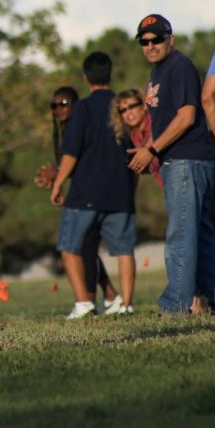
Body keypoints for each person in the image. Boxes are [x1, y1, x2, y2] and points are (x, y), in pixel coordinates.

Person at [128, 14, 215, 314]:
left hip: (188, 162)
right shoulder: (158, 73)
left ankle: (174, 304)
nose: (150, 46)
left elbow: (187, 116)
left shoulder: (179, 67)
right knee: (201, 236)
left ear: (170, 39)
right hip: (183, 162)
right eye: (144, 41)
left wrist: (151, 148)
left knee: (181, 235)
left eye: (156, 39)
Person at [50, 52, 136, 318]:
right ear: (110, 75)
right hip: (120, 192)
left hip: (86, 193)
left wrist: (57, 183)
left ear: (85, 78)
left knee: (69, 247)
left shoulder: (84, 109)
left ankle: (83, 304)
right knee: (123, 250)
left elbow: (71, 153)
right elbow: (132, 151)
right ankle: (125, 304)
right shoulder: (122, 108)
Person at [36, 87, 120, 313]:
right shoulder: (69, 127)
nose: (58, 109)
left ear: (75, 104)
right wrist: (59, 175)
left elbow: (87, 159)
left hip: (93, 194)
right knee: (84, 247)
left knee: (84, 248)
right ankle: (110, 296)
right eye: (54, 106)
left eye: (63, 103)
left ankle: (88, 304)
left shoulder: (82, 121)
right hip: (85, 192)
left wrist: (58, 176)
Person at [110, 88, 162, 187]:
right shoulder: (134, 135)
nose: (128, 113)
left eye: (132, 106)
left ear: (143, 105)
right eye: (123, 110)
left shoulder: (155, 123)